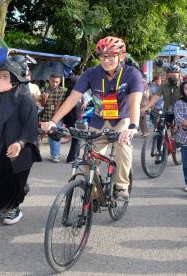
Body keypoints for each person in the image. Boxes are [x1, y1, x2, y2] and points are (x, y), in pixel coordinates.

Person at [41, 36, 143, 200]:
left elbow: (135, 101)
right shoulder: (91, 73)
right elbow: (72, 99)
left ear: (121, 56)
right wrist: (53, 121)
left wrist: (133, 126)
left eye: (111, 56)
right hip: (98, 120)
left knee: (123, 144)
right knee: (88, 160)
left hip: (122, 118)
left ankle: (121, 185)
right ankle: (95, 194)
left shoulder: (132, 74)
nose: (106, 60)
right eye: (103, 56)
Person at [0, 58, 41, 225]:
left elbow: (30, 125)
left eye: (6, 76)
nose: (1, 79)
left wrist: (20, 143)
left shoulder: (25, 99)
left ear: (15, 78)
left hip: (19, 148)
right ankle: (5, 201)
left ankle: (14, 208)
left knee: (13, 181)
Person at [40, 73, 67, 162]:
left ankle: (56, 155)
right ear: (49, 80)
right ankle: (53, 154)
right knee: (50, 136)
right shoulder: (44, 90)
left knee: (55, 136)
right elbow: (42, 105)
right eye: (53, 81)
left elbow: (65, 104)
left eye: (57, 82)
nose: (54, 83)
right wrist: (44, 99)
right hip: (46, 117)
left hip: (57, 118)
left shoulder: (63, 91)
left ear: (59, 82)